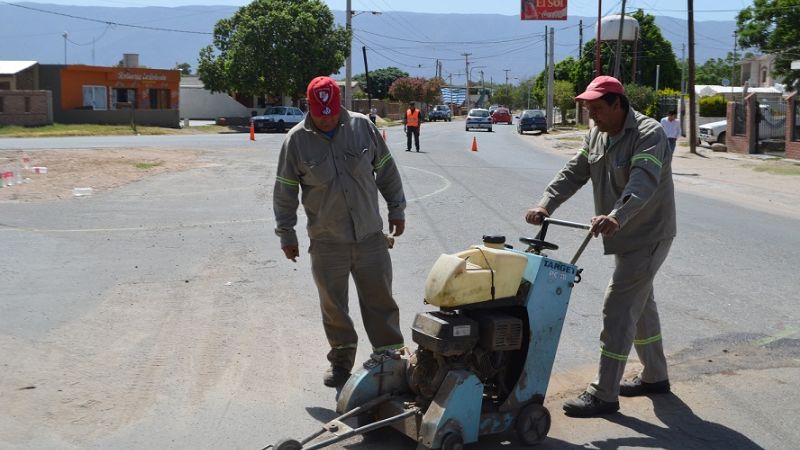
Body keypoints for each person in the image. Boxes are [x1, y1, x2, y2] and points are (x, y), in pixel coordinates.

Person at [525, 76, 676, 417]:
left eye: (596, 109)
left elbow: (643, 181)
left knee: (618, 306)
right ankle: (655, 376)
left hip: (647, 234)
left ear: (617, 104)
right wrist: (546, 204)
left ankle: (604, 393)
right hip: (620, 233)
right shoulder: (596, 134)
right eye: (587, 109)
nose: (591, 116)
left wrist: (616, 215)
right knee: (640, 305)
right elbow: (574, 171)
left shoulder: (649, 133)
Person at [273, 76, 407, 388]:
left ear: (340, 105)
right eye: (320, 114)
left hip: (370, 236)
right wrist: (287, 234)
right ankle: (342, 361)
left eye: (332, 112)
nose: (327, 119)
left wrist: (396, 209)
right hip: (327, 241)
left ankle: (390, 360)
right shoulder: (295, 141)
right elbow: (285, 192)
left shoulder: (362, 127)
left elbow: (387, 170)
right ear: (308, 107)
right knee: (334, 307)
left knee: (380, 301)